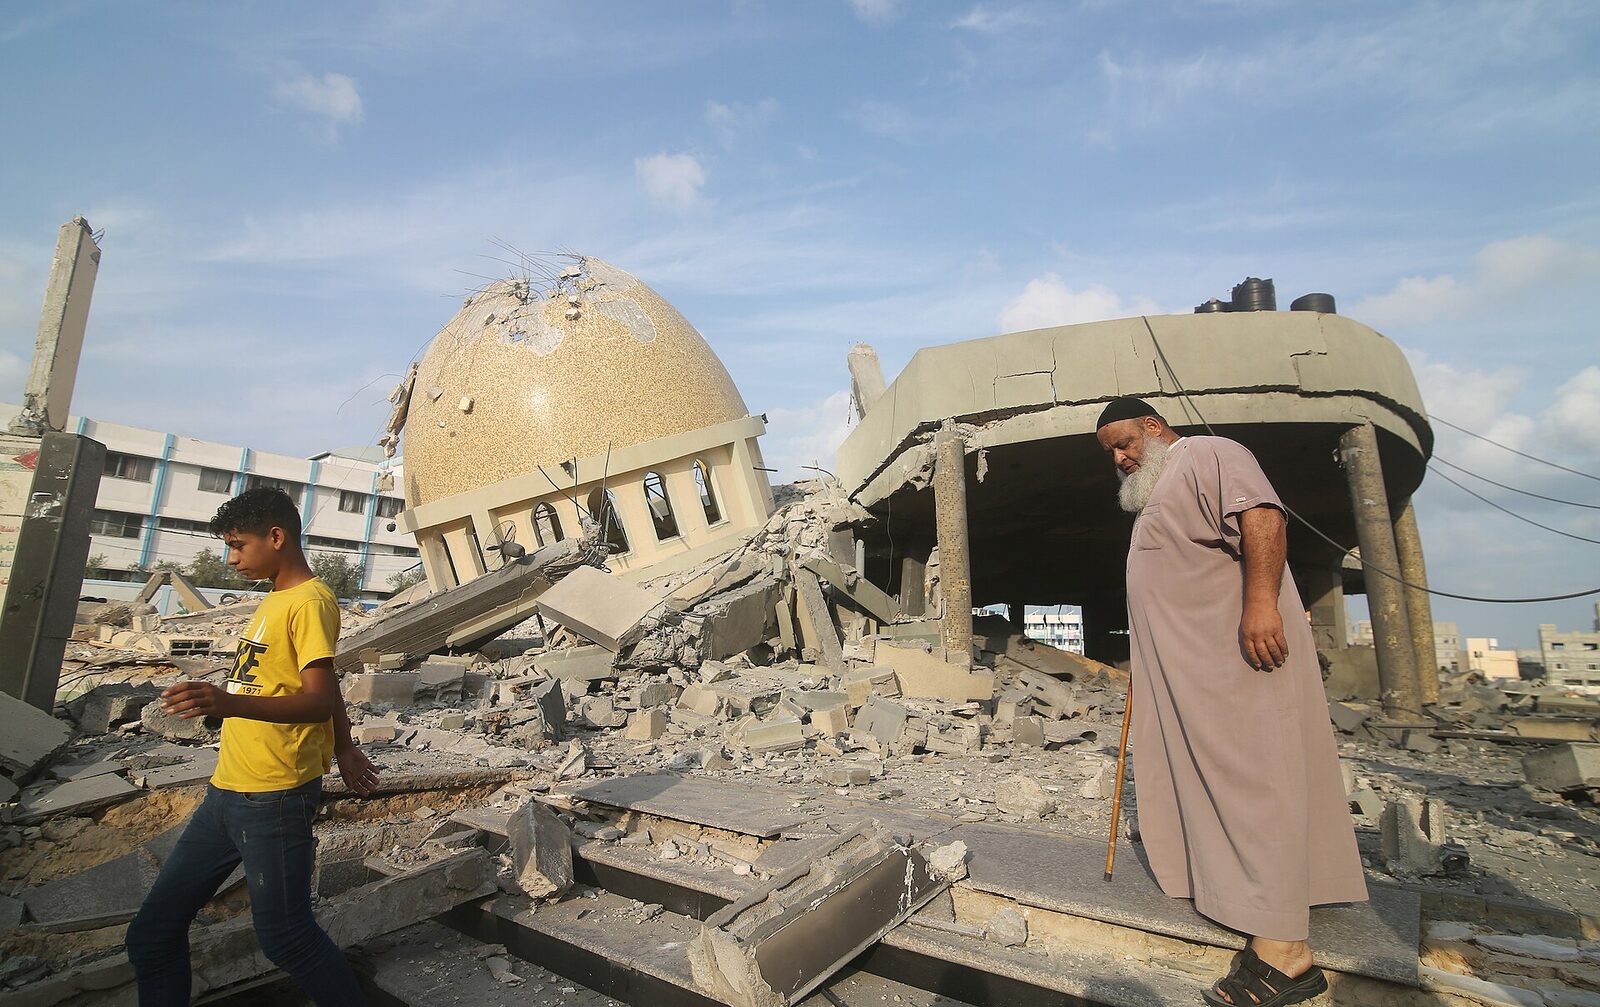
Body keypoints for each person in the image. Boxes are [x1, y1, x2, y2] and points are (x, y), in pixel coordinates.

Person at [1095, 398, 1367, 1007]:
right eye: (1111, 452)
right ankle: (1261, 901)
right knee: (1217, 784)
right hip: (1195, 675)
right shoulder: (1160, 488)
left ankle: (1286, 956)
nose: (1120, 458)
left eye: (1126, 443)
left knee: (1254, 781)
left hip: (1239, 661)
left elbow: (1263, 516)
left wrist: (1262, 604)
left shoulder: (1209, 455)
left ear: (1155, 428)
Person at [126, 487, 380, 1006]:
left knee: (288, 938)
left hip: (274, 796)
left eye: (238, 545)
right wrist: (346, 745)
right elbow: (312, 686)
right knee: (151, 935)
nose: (232, 558)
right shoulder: (274, 599)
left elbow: (314, 699)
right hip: (227, 793)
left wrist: (226, 703)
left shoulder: (310, 602)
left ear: (277, 536)